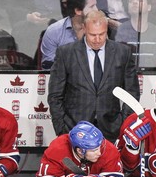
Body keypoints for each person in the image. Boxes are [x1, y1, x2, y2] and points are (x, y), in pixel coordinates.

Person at [48, 10, 140, 143]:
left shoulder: (123, 52)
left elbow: (132, 93)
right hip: (74, 129)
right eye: (92, 35)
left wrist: (123, 124)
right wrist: (62, 130)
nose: (97, 40)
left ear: (107, 29)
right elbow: (55, 95)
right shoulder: (66, 53)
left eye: (101, 34)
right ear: (84, 29)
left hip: (112, 129)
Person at [31, 121, 124, 177]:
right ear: (80, 150)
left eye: (100, 147)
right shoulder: (57, 148)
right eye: (94, 150)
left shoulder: (109, 149)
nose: (99, 152)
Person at [41, 0, 98, 69]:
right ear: (78, 11)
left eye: (96, 5)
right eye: (92, 6)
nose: (96, 10)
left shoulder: (100, 30)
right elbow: (48, 67)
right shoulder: (54, 31)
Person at [115, 0, 156, 71]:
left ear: (149, 7)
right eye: (131, 0)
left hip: (152, 79)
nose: (134, 2)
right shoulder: (120, 31)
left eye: (140, 0)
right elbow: (118, 64)